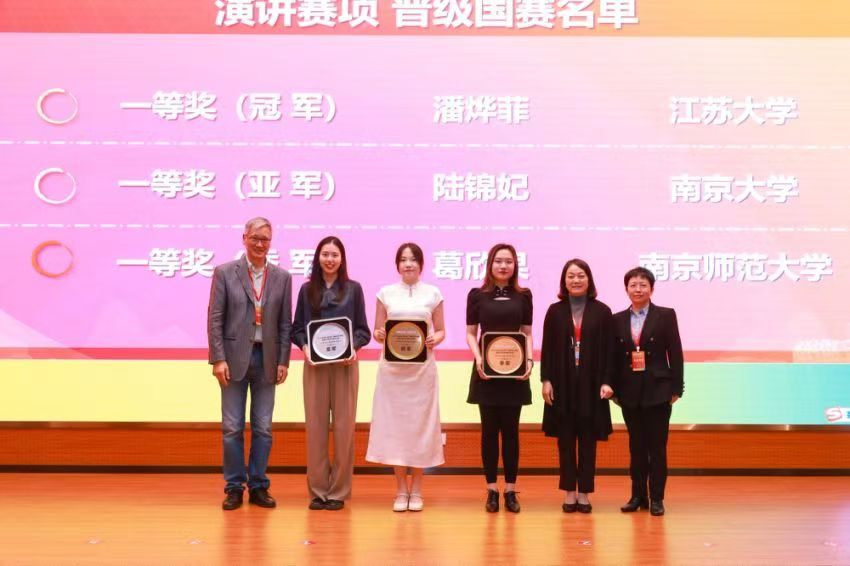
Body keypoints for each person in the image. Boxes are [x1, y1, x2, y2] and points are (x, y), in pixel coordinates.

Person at [207, 217, 292, 510]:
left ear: (271, 242)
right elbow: (215, 318)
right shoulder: (225, 272)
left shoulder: (282, 277)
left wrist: (284, 360)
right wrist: (218, 358)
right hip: (232, 359)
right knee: (232, 427)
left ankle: (258, 486)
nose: (259, 244)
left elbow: (285, 323)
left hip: (267, 358)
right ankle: (233, 487)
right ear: (244, 238)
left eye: (265, 239)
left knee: (263, 428)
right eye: (255, 238)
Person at [291, 237, 371, 511]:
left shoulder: (354, 289)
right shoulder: (306, 290)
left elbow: (363, 330)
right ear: (318, 257)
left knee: (344, 429)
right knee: (315, 428)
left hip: (345, 366)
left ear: (342, 259)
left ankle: (338, 491)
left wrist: (354, 348)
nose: (330, 259)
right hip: (314, 367)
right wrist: (305, 348)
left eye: (335, 255)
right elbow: (297, 328)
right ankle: (317, 491)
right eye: (325, 254)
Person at [366, 243, 446, 512]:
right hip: (393, 372)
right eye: (403, 259)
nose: (408, 264)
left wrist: (436, 338)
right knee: (396, 429)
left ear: (421, 264)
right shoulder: (385, 293)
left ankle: (418, 490)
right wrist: (379, 334)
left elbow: (441, 330)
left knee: (419, 428)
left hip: (422, 372)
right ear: (397, 264)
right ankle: (401, 490)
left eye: (413, 259)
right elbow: (378, 330)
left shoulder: (433, 293)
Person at [541, 258, 613, 514]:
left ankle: (584, 493)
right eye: (571, 276)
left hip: (592, 385)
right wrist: (546, 380)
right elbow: (547, 348)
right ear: (564, 281)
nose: (576, 280)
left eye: (581, 275)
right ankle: (569, 491)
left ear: (589, 279)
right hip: (562, 384)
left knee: (588, 441)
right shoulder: (554, 311)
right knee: (565, 440)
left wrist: (608, 381)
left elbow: (610, 351)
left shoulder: (602, 311)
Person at [465, 244, 533, 513]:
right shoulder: (477, 295)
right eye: (498, 261)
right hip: (486, 372)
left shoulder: (524, 295)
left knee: (512, 433)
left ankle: (511, 490)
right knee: (489, 432)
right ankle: (492, 489)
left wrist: (529, 361)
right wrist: (478, 358)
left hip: (515, 373)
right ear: (490, 264)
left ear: (515, 265)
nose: (503, 266)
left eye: (508, 261)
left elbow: (526, 333)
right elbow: (471, 333)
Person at [612, 267, 684, 517]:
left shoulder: (665, 315)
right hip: (629, 392)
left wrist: (677, 387)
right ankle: (637, 496)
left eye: (643, 285)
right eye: (633, 285)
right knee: (636, 447)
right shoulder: (617, 319)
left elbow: (675, 352)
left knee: (657, 448)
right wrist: (614, 390)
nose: (638, 289)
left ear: (651, 289)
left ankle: (657, 498)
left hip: (658, 390)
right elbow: (613, 358)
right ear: (626, 289)